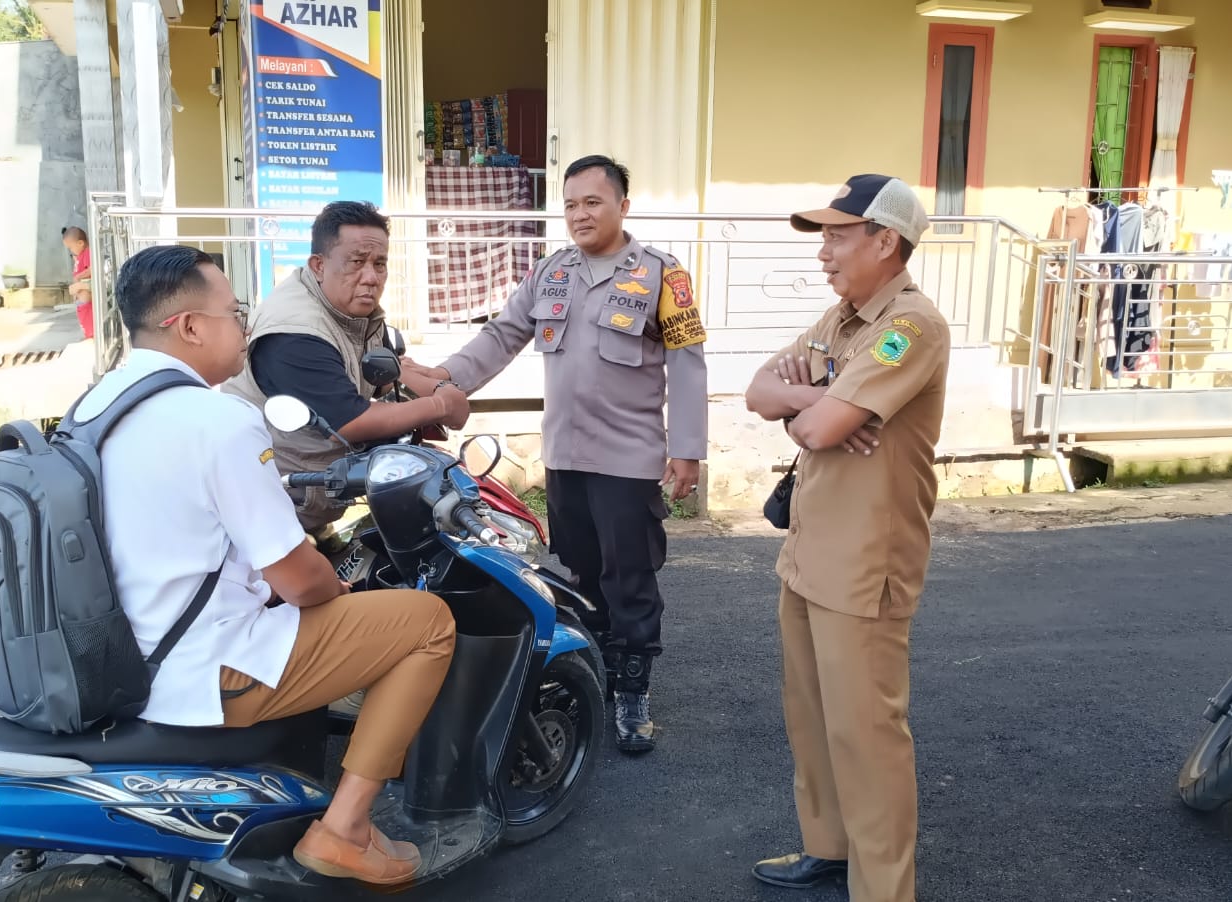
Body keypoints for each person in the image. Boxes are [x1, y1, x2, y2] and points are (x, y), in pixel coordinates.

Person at [76, 244, 456, 886]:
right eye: (234, 313)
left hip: (119, 653)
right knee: (426, 621)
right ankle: (344, 829)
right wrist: (335, 588)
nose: (245, 326)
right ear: (189, 327)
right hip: (203, 669)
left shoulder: (96, 405)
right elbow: (298, 578)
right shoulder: (219, 420)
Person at [403, 155, 708, 753]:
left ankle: (633, 691)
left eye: (593, 202)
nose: (580, 214)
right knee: (576, 575)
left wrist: (688, 450)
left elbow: (687, 363)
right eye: (570, 204)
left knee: (630, 578)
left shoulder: (661, 275)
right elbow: (502, 336)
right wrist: (444, 379)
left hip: (628, 460)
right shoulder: (551, 272)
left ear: (623, 205)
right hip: (566, 456)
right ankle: (592, 672)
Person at [742, 175, 949, 901]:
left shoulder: (909, 327)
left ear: (885, 241)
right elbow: (760, 391)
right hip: (809, 555)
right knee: (813, 720)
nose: (824, 251)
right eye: (824, 236)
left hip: (866, 564)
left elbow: (820, 429)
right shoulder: (841, 320)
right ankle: (829, 849)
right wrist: (817, 398)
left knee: (868, 735)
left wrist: (816, 410)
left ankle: (883, 889)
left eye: (837, 235)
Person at [222, 201, 471, 548]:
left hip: (314, 494)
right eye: (356, 262)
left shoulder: (349, 309)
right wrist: (440, 405)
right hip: (272, 509)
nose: (371, 277)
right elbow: (351, 421)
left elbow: (389, 368)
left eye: (379, 263)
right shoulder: (295, 331)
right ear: (319, 265)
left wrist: (442, 387)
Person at [63, 226, 95, 340]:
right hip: (81, 298)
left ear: (80, 243)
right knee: (83, 315)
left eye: (71, 247)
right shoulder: (80, 255)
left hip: (86, 296)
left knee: (87, 315)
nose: (71, 251)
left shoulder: (87, 253)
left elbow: (92, 269)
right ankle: (88, 334)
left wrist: (78, 277)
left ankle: (91, 335)